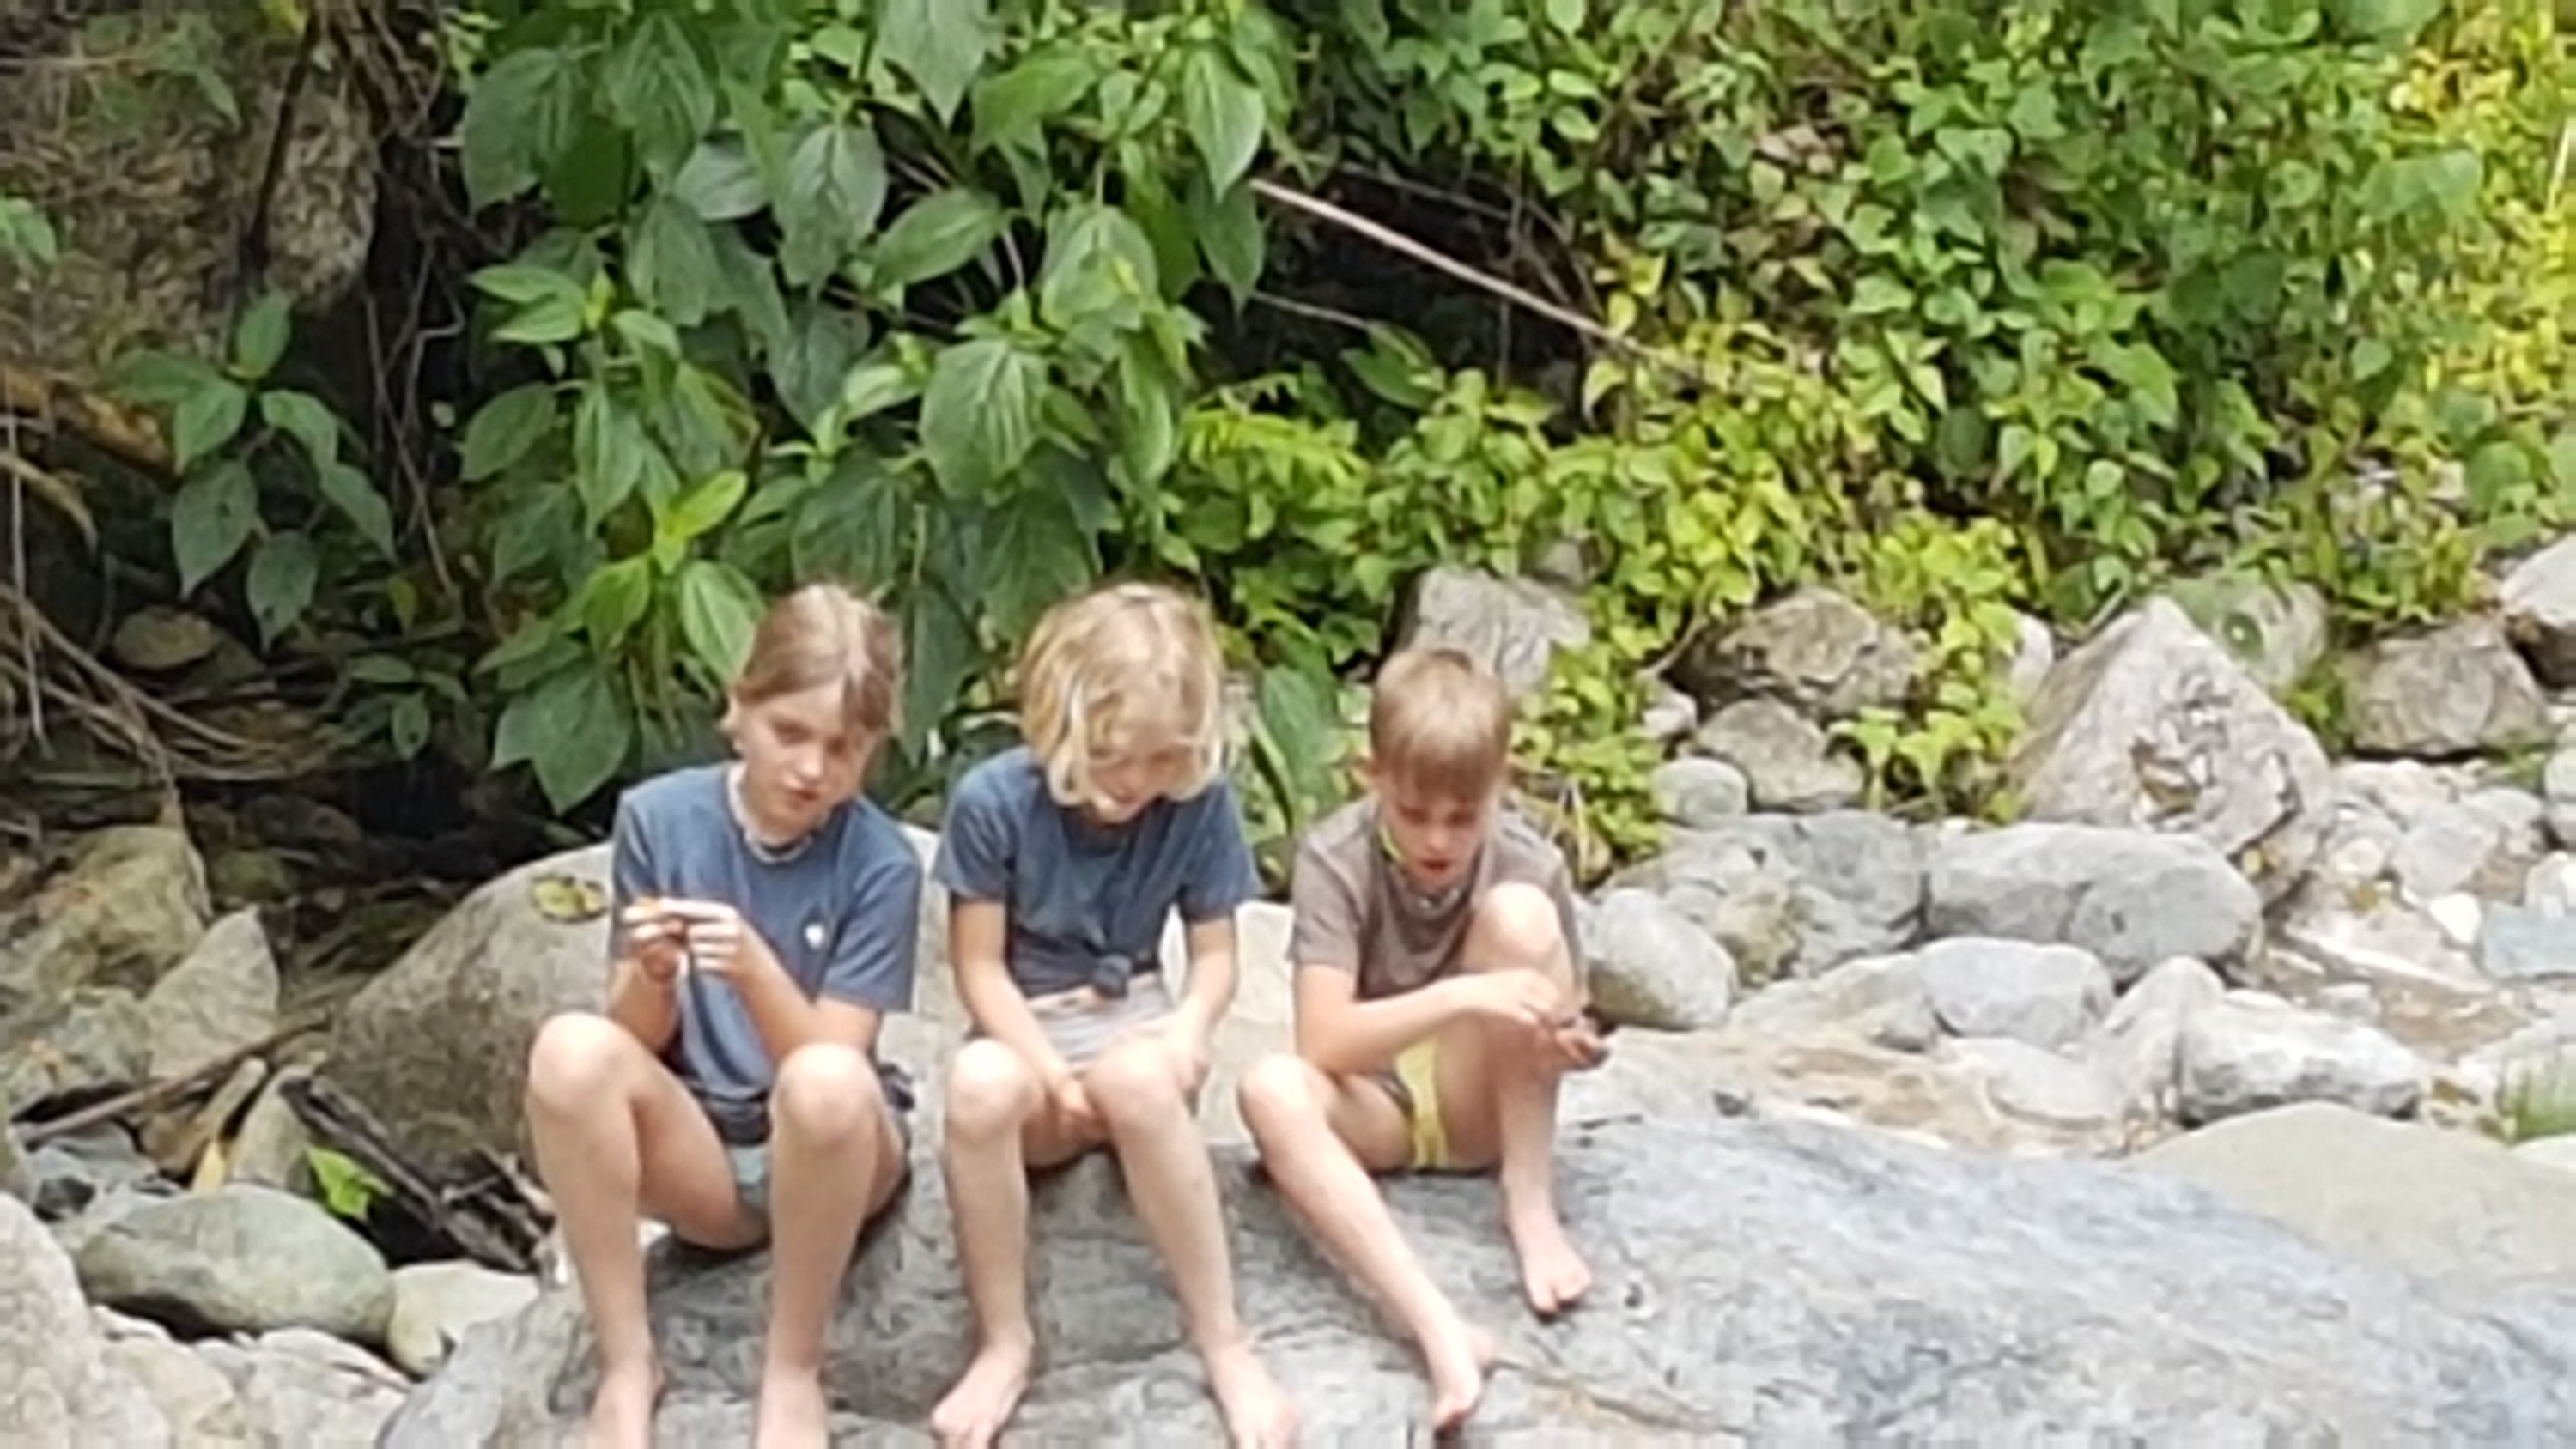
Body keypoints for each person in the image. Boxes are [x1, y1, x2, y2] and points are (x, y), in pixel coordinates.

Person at [521, 583, 922, 1449]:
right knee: (569, 1051)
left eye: (842, 748)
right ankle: (626, 1360)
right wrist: (655, 973)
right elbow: (630, 1043)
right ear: (738, 709)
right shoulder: (658, 818)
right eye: (790, 733)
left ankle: (793, 1368)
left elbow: (832, 1070)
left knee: (823, 1082)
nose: (811, 768)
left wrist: (752, 968)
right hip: (704, 1147)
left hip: (833, 1154)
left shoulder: (882, 863)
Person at [927, 582, 1297, 1449]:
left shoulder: (1198, 804)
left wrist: (1189, 1028)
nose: (1133, 783)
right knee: (977, 1087)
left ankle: (1223, 1337)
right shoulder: (992, 802)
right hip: (1028, 1025)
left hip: (1135, 1015)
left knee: (1138, 1080)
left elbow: (1215, 955)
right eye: (1109, 756)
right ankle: (1004, 1339)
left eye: (1159, 760)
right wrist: (1049, 1072)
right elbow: (979, 968)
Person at [1236, 645, 1607, 1433]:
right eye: (1414, 814)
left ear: (1502, 784)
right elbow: (1323, 1042)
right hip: (1379, 1106)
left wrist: (1564, 1041)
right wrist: (1466, 995)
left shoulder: (1528, 861)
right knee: (1269, 1088)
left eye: (1463, 817)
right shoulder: (1334, 858)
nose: (1438, 840)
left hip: (1478, 1102)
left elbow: (1565, 1013)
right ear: (1370, 777)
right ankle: (1438, 1328)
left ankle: (1529, 1204)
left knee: (1520, 917)